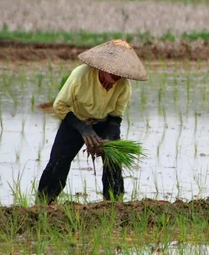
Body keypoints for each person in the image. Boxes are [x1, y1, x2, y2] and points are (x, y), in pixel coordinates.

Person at [37, 39, 148, 203]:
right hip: (75, 120)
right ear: (103, 68)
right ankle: (43, 203)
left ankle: (114, 203)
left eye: (120, 74)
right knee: (58, 162)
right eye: (114, 73)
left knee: (113, 163)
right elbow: (59, 106)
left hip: (104, 122)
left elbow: (116, 116)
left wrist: (109, 136)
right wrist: (83, 129)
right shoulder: (80, 76)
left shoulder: (124, 86)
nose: (117, 77)